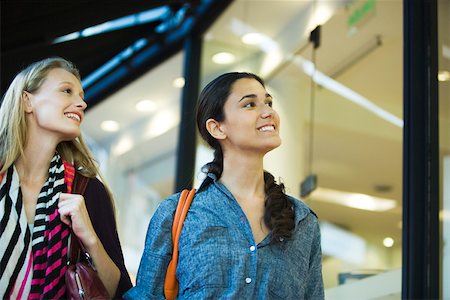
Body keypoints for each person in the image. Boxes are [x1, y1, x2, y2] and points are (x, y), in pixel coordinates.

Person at [125, 72, 324, 299]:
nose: (268, 112)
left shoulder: (302, 220)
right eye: (250, 104)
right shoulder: (177, 213)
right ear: (217, 128)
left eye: (268, 102)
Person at [0, 57, 132, 299]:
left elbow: (118, 291)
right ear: (27, 101)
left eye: (81, 96)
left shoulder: (86, 191)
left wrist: (89, 236)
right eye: (67, 91)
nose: (81, 103)